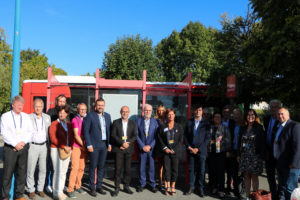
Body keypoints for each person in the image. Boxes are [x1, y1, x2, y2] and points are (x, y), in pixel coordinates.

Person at [0, 96, 34, 200]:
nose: (20, 106)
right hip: (11, 149)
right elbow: (4, 133)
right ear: (13, 105)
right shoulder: (5, 116)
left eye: (22, 105)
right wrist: (15, 144)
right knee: (7, 173)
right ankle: (5, 196)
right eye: (18, 104)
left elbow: (30, 132)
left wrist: (22, 143)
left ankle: (19, 195)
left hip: (23, 148)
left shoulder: (26, 117)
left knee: (22, 172)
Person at [83, 98, 112, 197]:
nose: (100, 107)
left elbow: (109, 131)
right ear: (96, 105)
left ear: (104, 105)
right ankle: (92, 187)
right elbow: (86, 131)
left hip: (104, 145)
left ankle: (99, 186)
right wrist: (89, 145)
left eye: (102, 105)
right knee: (93, 166)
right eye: (98, 105)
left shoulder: (107, 116)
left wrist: (110, 144)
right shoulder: (90, 115)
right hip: (94, 146)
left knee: (101, 167)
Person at [27, 98, 51, 199]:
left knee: (43, 169)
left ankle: (40, 189)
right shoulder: (28, 117)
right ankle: (31, 190)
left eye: (40, 106)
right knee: (30, 169)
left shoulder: (47, 117)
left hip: (44, 146)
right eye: (36, 106)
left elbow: (49, 132)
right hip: (32, 145)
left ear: (43, 107)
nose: (38, 108)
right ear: (34, 107)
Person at [237, 109, 264, 200]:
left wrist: (261, 156)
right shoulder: (243, 127)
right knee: (246, 176)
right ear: (246, 117)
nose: (250, 116)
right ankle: (248, 197)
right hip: (244, 156)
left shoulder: (259, 128)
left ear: (255, 116)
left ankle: (255, 197)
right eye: (248, 115)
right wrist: (238, 155)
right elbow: (239, 143)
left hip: (255, 156)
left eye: (252, 115)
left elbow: (262, 143)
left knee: (254, 177)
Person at [274, 107, 300, 200]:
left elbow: (298, 146)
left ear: (288, 115)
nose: (280, 116)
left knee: (290, 189)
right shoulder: (279, 126)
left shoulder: (294, 126)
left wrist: (294, 163)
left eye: (282, 114)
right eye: (278, 114)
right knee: (283, 188)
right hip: (281, 163)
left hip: (291, 165)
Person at [184, 105, 210, 197]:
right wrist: (189, 147)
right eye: (196, 110)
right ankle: (191, 187)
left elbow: (207, 139)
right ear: (193, 111)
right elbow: (185, 136)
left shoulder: (206, 123)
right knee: (192, 170)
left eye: (200, 110)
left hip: (201, 151)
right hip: (191, 150)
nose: (198, 112)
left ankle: (201, 188)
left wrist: (198, 149)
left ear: (202, 111)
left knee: (201, 170)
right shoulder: (189, 122)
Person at [110, 106, 137, 197]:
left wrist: (127, 143)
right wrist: (122, 143)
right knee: (118, 169)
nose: (125, 113)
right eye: (123, 111)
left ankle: (126, 186)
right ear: (120, 112)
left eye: (126, 111)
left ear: (129, 112)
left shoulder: (133, 123)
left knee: (128, 169)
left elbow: (134, 136)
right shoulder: (116, 122)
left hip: (128, 149)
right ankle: (117, 187)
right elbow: (113, 135)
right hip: (119, 149)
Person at [49, 105, 74, 200]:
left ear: (67, 114)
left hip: (67, 149)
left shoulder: (69, 124)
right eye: (60, 112)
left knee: (64, 171)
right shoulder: (54, 124)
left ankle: (60, 191)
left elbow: (71, 137)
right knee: (57, 171)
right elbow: (53, 138)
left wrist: (70, 147)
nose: (62, 114)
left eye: (64, 112)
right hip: (56, 149)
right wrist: (64, 146)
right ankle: (56, 193)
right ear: (57, 113)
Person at [158, 108, 183, 196]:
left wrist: (174, 150)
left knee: (175, 170)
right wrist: (165, 148)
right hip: (166, 152)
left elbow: (180, 140)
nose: (170, 116)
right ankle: (167, 186)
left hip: (175, 152)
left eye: (172, 114)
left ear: (174, 115)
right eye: (169, 114)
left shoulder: (179, 127)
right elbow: (159, 139)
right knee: (166, 169)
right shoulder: (162, 126)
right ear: (166, 116)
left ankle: (173, 186)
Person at [207, 112, 231, 198]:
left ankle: (221, 189)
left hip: (221, 152)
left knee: (220, 171)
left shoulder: (224, 127)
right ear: (213, 118)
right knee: (212, 170)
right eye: (215, 117)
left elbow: (228, 140)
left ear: (221, 118)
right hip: (211, 152)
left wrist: (228, 151)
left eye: (219, 117)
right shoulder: (210, 127)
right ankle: (214, 187)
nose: (217, 118)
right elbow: (207, 139)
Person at [136, 104, 159, 193]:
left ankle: (152, 184)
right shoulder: (138, 121)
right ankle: (142, 184)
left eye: (149, 110)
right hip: (142, 148)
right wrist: (142, 146)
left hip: (151, 149)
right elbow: (136, 135)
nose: (147, 112)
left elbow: (157, 136)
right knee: (141, 167)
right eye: (146, 110)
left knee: (152, 167)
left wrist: (150, 146)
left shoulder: (155, 122)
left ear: (151, 112)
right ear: (143, 111)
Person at [66, 103, 88, 198]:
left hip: (84, 147)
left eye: (84, 109)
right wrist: (83, 145)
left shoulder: (87, 119)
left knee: (81, 168)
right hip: (76, 146)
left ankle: (78, 185)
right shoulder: (75, 120)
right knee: (74, 168)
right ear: (78, 110)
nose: (83, 111)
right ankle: (70, 189)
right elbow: (76, 135)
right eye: (81, 109)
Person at [263, 100, 281, 200]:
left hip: (278, 153)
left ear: (279, 108)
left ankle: (279, 194)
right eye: (271, 107)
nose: (273, 109)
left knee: (280, 176)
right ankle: (274, 195)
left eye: (275, 107)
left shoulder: (281, 119)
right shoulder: (266, 119)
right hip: (268, 152)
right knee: (270, 176)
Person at [222, 106, 235, 194]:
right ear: (223, 113)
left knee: (230, 170)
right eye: (225, 112)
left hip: (230, 149)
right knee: (222, 169)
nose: (226, 114)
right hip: (221, 149)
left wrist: (230, 151)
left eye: (228, 112)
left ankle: (229, 186)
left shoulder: (233, 123)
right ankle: (221, 186)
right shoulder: (219, 121)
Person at [231, 108, 243, 198]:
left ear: (241, 115)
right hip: (233, 151)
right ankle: (236, 190)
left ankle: (242, 190)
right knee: (234, 172)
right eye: (234, 114)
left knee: (243, 173)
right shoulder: (232, 125)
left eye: (237, 114)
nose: (236, 116)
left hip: (243, 152)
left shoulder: (244, 125)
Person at [153, 105, 167, 190]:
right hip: (158, 145)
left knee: (166, 165)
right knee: (160, 165)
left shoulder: (167, 120)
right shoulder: (154, 120)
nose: (160, 112)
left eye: (162, 111)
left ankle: (166, 182)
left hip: (166, 145)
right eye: (159, 111)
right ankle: (160, 182)